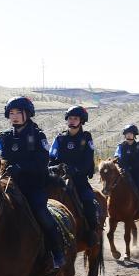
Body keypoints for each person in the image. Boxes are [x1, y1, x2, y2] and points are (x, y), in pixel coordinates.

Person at [0, 96, 65, 269]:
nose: (14, 116)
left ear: (27, 114)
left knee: (40, 212)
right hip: (9, 185)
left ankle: (57, 252)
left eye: (18, 112)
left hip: (33, 186)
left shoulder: (38, 136)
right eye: (11, 113)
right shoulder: (4, 137)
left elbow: (43, 161)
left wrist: (21, 167)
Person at [48, 105, 100, 245]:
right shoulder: (60, 138)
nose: (72, 121)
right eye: (70, 118)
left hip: (79, 178)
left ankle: (92, 231)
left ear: (81, 121)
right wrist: (53, 168)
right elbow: (51, 157)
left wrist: (75, 170)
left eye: (75, 118)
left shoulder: (86, 138)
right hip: (59, 178)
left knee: (88, 200)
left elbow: (88, 160)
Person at [115, 124, 139, 216]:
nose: (128, 135)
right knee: (112, 187)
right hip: (124, 173)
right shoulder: (121, 146)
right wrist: (121, 164)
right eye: (127, 133)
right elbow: (117, 156)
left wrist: (132, 167)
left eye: (130, 133)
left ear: (134, 134)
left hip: (136, 173)